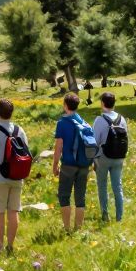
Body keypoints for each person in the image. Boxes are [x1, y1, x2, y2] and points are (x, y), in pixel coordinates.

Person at [0, 98, 29, 255]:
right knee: (14, 211)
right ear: (11, 113)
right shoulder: (19, 130)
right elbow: (26, 153)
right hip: (17, 177)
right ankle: (11, 246)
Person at [51, 93, 94, 232]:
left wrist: (55, 164)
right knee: (80, 198)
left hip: (68, 165)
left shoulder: (62, 123)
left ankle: (67, 228)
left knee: (64, 196)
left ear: (65, 105)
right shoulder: (84, 122)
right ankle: (78, 229)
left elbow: (58, 147)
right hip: (84, 165)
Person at [93, 91, 127, 222]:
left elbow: (95, 142)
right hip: (119, 157)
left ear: (102, 103)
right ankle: (119, 216)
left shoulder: (100, 120)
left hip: (104, 157)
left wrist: (93, 160)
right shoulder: (122, 119)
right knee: (117, 186)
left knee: (102, 185)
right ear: (114, 103)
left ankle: (105, 214)